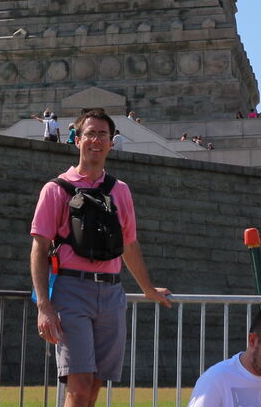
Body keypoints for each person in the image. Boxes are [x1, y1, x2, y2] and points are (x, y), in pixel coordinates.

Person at [31, 108, 172, 407]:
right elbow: (39, 249)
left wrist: (147, 289)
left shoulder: (120, 191)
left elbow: (130, 245)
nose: (96, 140)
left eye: (102, 135)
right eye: (90, 134)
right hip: (72, 292)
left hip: (111, 293)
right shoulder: (55, 190)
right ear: (77, 139)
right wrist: (43, 305)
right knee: (79, 388)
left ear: (111, 142)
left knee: (94, 388)